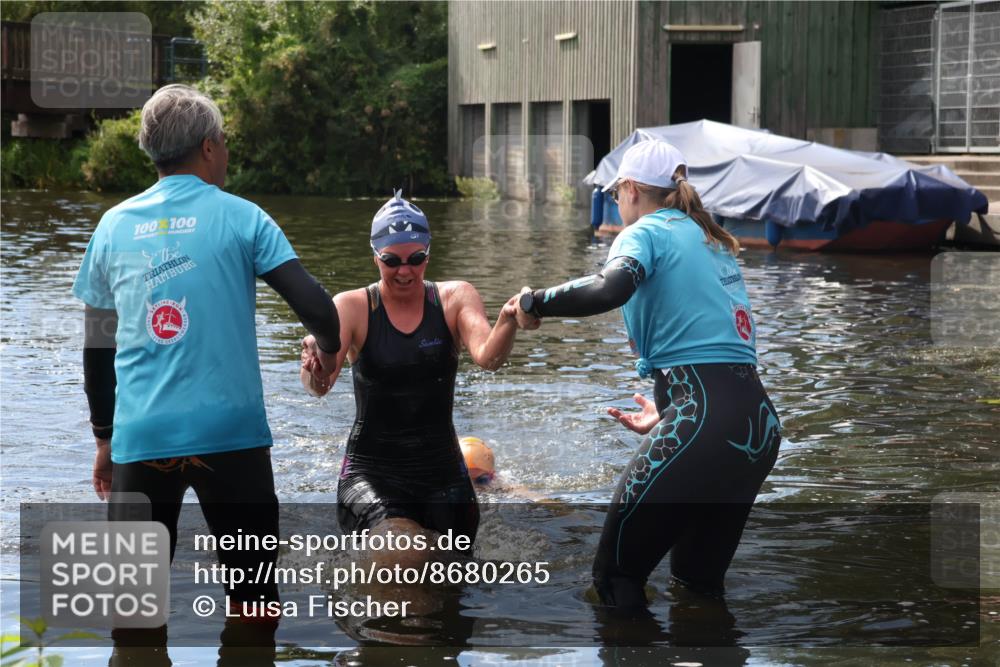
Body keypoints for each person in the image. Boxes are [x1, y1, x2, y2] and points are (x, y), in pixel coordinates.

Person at [73, 84, 341, 628]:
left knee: (133, 614)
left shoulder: (113, 226)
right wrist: (330, 351)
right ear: (209, 148)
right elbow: (316, 306)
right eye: (222, 143)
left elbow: (97, 349)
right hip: (233, 439)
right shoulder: (244, 218)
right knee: (254, 607)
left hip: (142, 438)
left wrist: (105, 437)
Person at [513, 140, 781, 606]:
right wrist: (671, 413)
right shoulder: (708, 239)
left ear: (632, 189)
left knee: (615, 579)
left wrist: (536, 300)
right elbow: (719, 353)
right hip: (756, 427)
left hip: (702, 423)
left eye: (617, 192)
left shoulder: (644, 232)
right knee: (696, 588)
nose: (617, 203)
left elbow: (608, 288)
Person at [300, 192, 522, 556]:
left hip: (443, 476)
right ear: (375, 256)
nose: (405, 271)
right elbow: (319, 385)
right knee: (401, 552)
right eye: (392, 261)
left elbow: (488, 356)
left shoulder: (454, 299)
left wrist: (509, 320)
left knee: (450, 577)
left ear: (428, 253)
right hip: (371, 474)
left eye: (416, 259)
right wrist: (314, 365)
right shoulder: (352, 307)